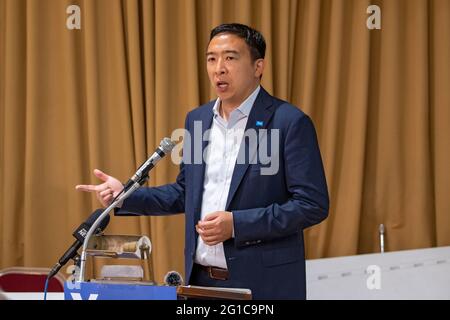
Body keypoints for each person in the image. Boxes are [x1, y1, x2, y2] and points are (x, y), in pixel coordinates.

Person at [76, 23, 329, 299]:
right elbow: (185, 193)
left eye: (230, 58)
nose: (218, 68)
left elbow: (312, 204)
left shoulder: (288, 122)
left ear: (258, 67)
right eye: (211, 59)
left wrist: (237, 225)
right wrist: (124, 196)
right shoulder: (198, 120)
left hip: (263, 285)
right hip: (201, 283)